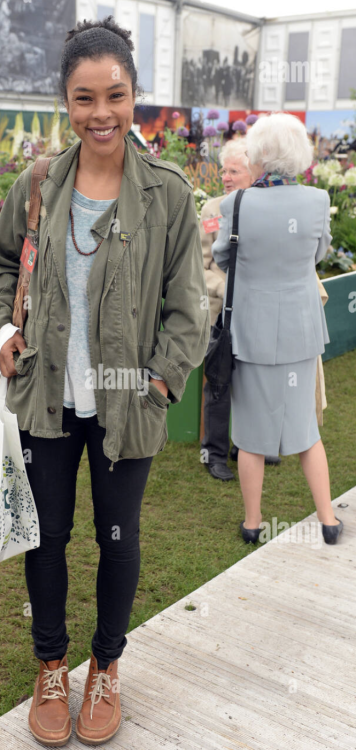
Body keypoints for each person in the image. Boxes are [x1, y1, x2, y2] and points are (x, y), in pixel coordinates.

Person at [0, 15, 209, 747]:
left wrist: (159, 387)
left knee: (119, 539)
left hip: (126, 408)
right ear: (65, 103)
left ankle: (105, 665)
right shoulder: (39, 182)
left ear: (134, 95)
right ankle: (51, 666)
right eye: (84, 98)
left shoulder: (168, 195)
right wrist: (5, 330)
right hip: (45, 400)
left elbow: (190, 309)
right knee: (46, 537)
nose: (100, 113)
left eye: (114, 95)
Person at [212, 112, 343, 547]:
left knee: (249, 436)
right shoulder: (319, 200)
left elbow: (222, 259)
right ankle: (328, 520)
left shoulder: (236, 203)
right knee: (307, 429)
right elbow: (318, 254)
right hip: (302, 330)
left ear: (259, 154)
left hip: (252, 331)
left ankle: (253, 524)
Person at [200, 139, 280, 480]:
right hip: (223, 315)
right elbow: (199, 269)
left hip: (260, 312)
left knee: (256, 383)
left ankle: (247, 446)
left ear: (255, 172)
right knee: (218, 383)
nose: (226, 177)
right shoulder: (212, 210)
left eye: (235, 170)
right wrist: (227, 288)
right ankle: (213, 453)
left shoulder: (274, 209)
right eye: (224, 170)